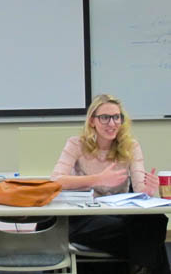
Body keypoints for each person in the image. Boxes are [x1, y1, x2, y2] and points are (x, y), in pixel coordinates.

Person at [51, 94, 169, 274]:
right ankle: (141, 268)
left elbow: (139, 189)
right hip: (84, 217)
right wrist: (98, 179)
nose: (112, 123)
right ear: (92, 121)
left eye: (116, 117)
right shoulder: (76, 144)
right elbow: (56, 181)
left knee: (156, 219)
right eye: (105, 117)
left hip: (118, 214)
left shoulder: (130, 146)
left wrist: (148, 189)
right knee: (149, 237)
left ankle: (140, 267)